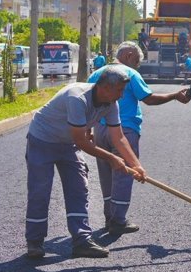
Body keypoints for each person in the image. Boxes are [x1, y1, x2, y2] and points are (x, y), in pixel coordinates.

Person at [25, 65, 146, 259]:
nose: (122, 96)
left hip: (67, 144)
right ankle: (35, 242)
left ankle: (82, 241)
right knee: (40, 190)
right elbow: (81, 141)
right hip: (43, 140)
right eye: (119, 91)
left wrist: (136, 164)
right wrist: (112, 158)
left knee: (78, 188)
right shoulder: (77, 98)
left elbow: (119, 137)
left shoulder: (111, 104)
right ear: (104, 87)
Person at [88, 41, 190, 235]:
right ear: (127, 55)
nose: (136, 66)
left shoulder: (97, 73)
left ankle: (109, 216)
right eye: (135, 60)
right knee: (124, 175)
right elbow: (149, 99)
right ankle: (118, 221)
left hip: (100, 131)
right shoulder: (130, 74)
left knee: (106, 174)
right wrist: (175, 95)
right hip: (123, 131)